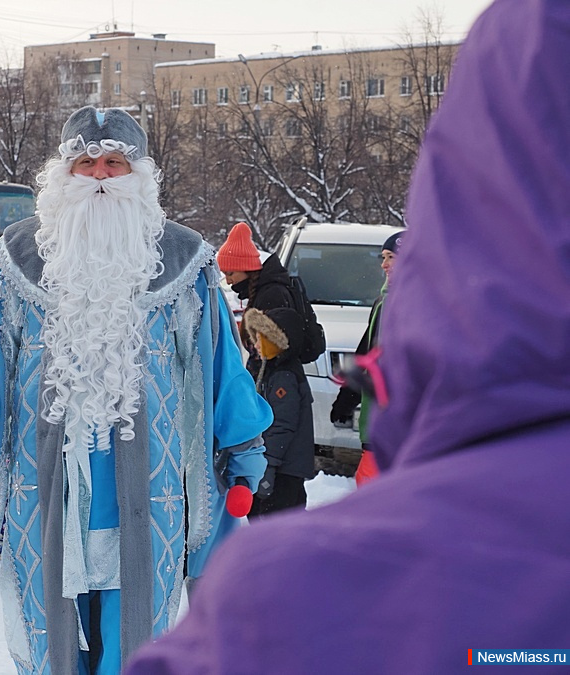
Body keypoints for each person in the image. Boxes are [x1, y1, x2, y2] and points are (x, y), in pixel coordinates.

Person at [125, 1, 570, 671]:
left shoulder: (301, 600)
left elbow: (277, 374)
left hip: (311, 433)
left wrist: (265, 457)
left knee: (283, 488)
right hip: (358, 425)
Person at [0, 106, 273, 673]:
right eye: (86, 163)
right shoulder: (16, 259)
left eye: (114, 163)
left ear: (139, 175)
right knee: (47, 636)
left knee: (137, 638)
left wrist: (242, 442)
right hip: (41, 486)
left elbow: (219, 366)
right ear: (65, 173)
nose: (101, 176)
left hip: (153, 487)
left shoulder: (184, 261)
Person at [329, 231, 403, 485]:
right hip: (376, 419)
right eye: (383, 257)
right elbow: (366, 353)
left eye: (391, 257)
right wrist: (347, 396)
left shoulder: (416, 302)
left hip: (396, 421)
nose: (384, 264)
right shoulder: (384, 300)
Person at [241, 307, 314, 516]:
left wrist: (269, 465)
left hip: (284, 468)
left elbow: (282, 424)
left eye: (261, 339)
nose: (255, 345)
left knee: (275, 522)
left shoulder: (284, 376)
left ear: (277, 341)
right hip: (279, 465)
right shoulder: (270, 369)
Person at [217, 221, 296, 375]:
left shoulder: (271, 295)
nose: (228, 281)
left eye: (230, 273)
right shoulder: (262, 293)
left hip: (275, 388)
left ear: (246, 269)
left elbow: (273, 353)